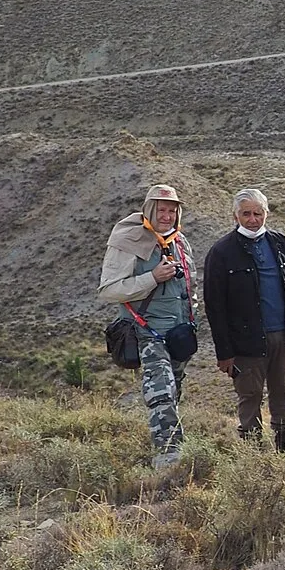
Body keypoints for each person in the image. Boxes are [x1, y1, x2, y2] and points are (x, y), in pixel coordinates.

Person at [203, 188, 285, 452]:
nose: (252, 219)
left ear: (267, 213)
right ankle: (253, 451)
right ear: (235, 216)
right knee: (250, 394)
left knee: (282, 390)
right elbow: (215, 306)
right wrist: (224, 352)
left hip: (283, 334)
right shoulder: (221, 252)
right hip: (245, 340)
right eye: (246, 214)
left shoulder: (280, 243)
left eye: (258, 213)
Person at [99, 184, 199, 468]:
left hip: (179, 332)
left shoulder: (181, 243)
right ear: (148, 210)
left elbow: (189, 287)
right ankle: (169, 455)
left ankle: (171, 447)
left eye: (171, 210)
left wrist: (193, 320)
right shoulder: (128, 240)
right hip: (146, 331)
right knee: (161, 391)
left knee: (175, 391)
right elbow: (108, 290)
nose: (166, 216)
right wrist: (152, 278)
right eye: (161, 210)